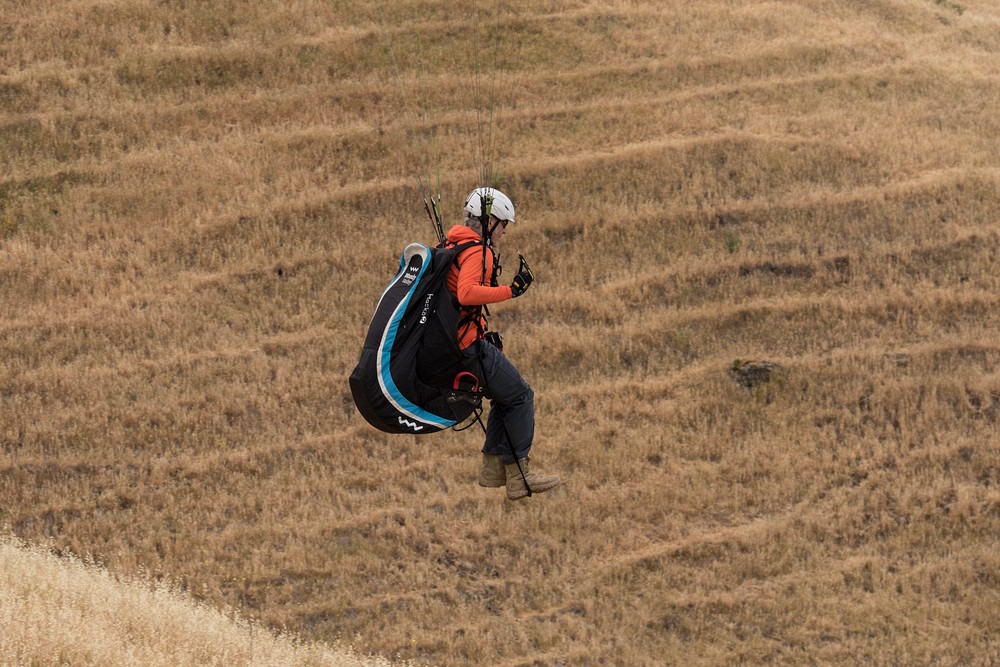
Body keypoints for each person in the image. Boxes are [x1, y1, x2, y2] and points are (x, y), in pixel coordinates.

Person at [442, 187, 560, 500]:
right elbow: (467, 293)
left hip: (453, 346)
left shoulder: (450, 243)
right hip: (468, 349)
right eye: (503, 224)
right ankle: (521, 475)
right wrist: (511, 291)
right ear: (490, 220)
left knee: (503, 395)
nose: (504, 230)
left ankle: (494, 469)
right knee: (521, 395)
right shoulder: (478, 252)